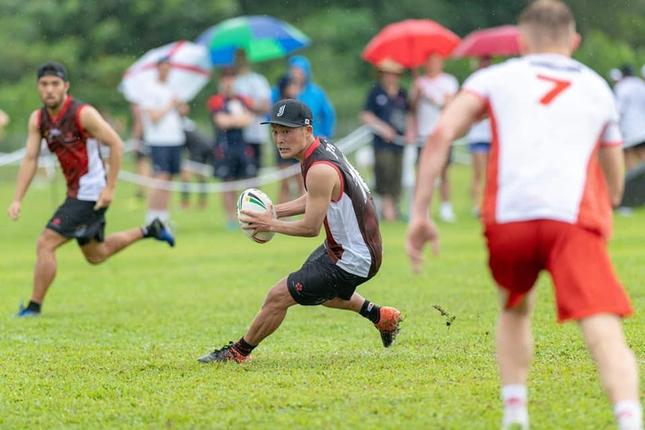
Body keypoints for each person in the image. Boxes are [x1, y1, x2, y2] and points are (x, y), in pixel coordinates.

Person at [405, 2, 642, 429]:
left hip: (509, 220)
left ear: (521, 39)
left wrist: (420, 213)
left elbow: (441, 132)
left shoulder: (493, 78)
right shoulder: (596, 87)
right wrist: (609, 203)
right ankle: (628, 418)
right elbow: (614, 171)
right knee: (601, 326)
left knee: (515, 308)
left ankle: (515, 413)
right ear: (574, 41)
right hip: (571, 221)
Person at [198, 99, 402, 363]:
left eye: (287, 131)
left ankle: (238, 353)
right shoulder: (322, 148)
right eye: (275, 132)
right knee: (320, 294)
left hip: (353, 257)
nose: (280, 139)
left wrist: (268, 224)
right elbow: (317, 197)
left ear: (307, 130)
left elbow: (310, 227)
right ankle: (381, 316)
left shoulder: (318, 169)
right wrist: (274, 211)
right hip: (351, 247)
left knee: (278, 296)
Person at [7, 62, 175, 318]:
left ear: (66, 87)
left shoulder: (83, 113)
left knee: (45, 243)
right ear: (38, 88)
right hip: (77, 191)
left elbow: (116, 145)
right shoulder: (38, 119)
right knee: (96, 254)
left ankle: (33, 307)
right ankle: (151, 229)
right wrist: (17, 198)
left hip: (90, 192)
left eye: (55, 84)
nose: (49, 89)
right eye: (44, 84)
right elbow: (30, 159)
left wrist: (110, 188)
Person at [410, 52, 459, 223]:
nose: (432, 65)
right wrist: (417, 92)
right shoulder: (419, 82)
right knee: (422, 174)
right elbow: (412, 108)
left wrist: (430, 95)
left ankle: (446, 207)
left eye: (435, 62)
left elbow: (447, 104)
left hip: (442, 133)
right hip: (423, 134)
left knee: (443, 172)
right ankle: (422, 210)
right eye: (429, 62)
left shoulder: (448, 81)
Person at [361, 59, 412, 221]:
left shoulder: (402, 93)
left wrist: (410, 132)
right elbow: (366, 115)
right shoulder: (376, 93)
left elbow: (409, 113)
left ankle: (394, 207)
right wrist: (383, 129)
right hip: (382, 144)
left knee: (397, 174)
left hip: (399, 142)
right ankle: (387, 208)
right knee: (384, 172)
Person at [139, 56, 188, 224]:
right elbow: (153, 117)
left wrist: (180, 106)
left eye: (169, 68)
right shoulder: (149, 89)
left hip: (175, 139)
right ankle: (152, 216)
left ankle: (163, 216)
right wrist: (170, 104)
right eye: (163, 67)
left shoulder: (172, 88)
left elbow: (181, 112)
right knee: (161, 177)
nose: (166, 71)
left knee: (169, 179)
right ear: (158, 68)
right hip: (158, 140)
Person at [208, 68, 256, 228]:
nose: (229, 83)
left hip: (242, 146)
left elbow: (249, 118)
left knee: (249, 181)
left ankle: (250, 215)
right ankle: (231, 219)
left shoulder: (242, 99)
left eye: (231, 79)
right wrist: (237, 120)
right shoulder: (216, 100)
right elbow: (221, 122)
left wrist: (232, 120)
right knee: (227, 183)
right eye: (225, 79)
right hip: (224, 149)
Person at [233, 50, 272, 172]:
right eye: (238, 57)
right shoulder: (232, 81)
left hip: (256, 133)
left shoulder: (258, 80)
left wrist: (247, 104)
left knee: (254, 172)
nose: (241, 61)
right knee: (236, 173)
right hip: (236, 135)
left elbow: (266, 107)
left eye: (243, 57)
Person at [465, 57, 493, 217]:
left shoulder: (495, 82)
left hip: (491, 135)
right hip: (477, 135)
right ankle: (477, 205)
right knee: (478, 172)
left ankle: (488, 203)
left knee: (491, 173)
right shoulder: (473, 82)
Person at [286, 55, 336, 139]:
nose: (297, 75)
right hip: (290, 137)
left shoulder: (316, 92)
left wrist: (325, 134)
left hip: (313, 136)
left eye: (300, 72)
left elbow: (328, 114)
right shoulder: (284, 90)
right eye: (294, 71)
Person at [273, 74, 304, 203]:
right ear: (285, 88)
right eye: (293, 85)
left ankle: (306, 213)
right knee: (285, 184)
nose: (296, 88)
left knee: (301, 182)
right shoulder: (279, 108)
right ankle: (281, 214)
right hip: (284, 148)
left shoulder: (298, 105)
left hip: (298, 147)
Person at [614, 64, 645, 171]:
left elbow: (618, 110)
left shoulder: (621, 86)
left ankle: (635, 186)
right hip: (642, 128)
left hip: (628, 128)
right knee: (642, 155)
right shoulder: (640, 84)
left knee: (628, 158)